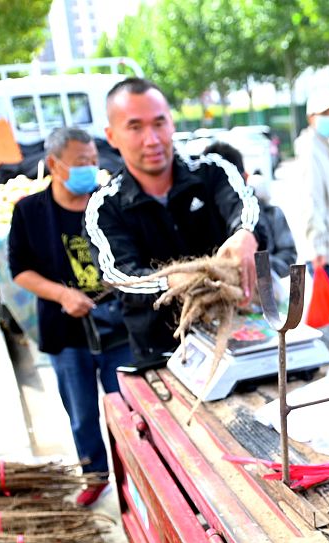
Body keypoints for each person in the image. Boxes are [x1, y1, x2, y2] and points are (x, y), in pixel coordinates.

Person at [85, 77, 264, 368]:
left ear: (171, 122)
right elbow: (119, 276)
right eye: (135, 127)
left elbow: (246, 206)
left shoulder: (214, 172)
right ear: (112, 136)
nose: (152, 139)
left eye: (159, 123)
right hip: (162, 355)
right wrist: (172, 282)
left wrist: (245, 233)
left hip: (239, 336)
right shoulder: (104, 208)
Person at [9, 128, 128, 507]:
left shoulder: (110, 203)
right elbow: (19, 270)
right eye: (81, 162)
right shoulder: (30, 212)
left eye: (93, 161)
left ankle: (135, 477)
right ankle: (95, 476)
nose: (90, 168)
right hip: (65, 331)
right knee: (81, 412)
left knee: (127, 409)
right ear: (54, 164)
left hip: (118, 327)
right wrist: (62, 294)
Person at [203, 141, 296, 280]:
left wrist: (253, 265)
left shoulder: (269, 213)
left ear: (244, 177)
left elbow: (288, 256)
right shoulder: (199, 219)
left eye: (232, 179)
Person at [294, 88, 329, 287]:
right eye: (325, 113)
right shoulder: (310, 150)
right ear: (311, 118)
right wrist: (316, 247)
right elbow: (311, 199)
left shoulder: (324, 148)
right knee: (324, 303)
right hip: (321, 249)